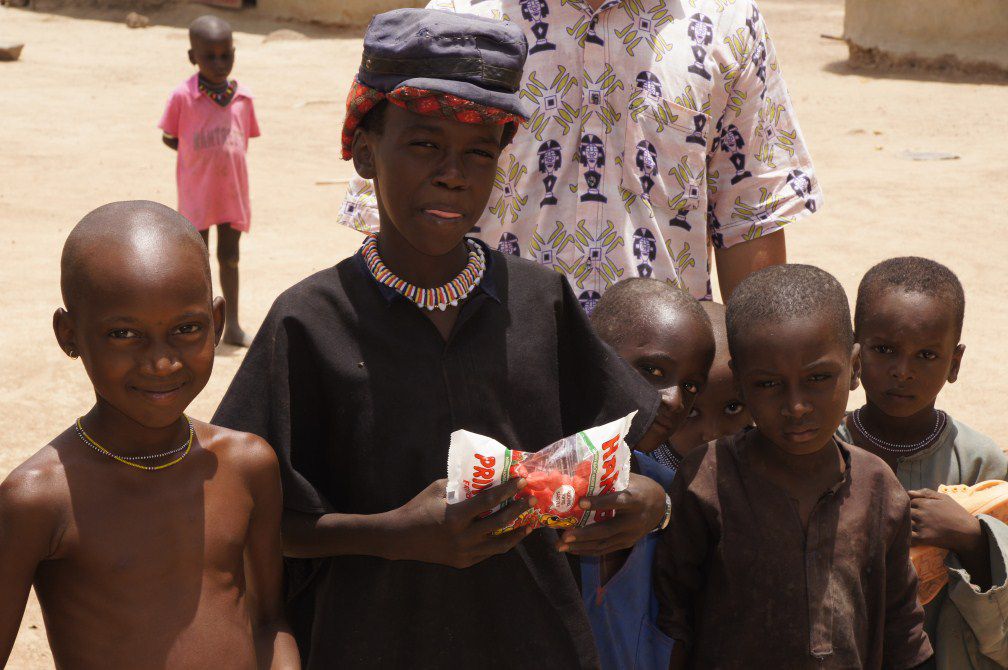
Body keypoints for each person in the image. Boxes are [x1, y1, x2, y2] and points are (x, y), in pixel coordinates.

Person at [212, 10, 677, 668]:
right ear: (365, 150)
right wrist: (391, 535)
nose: (453, 173)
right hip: (368, 646)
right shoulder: (308, 324)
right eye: (425, 144)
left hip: (537, 646)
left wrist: (648, 503)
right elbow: (254, 520)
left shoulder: (539, 302)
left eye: (479, 152)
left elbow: (630, 460)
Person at [336, 0, 822, 307]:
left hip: (666, 388)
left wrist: (756, 380)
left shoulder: (726, 19)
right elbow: (393, 224)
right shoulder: (463, 22)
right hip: (489, 368)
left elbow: (750, 217)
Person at [0, 201, 298, 669]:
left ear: (217, 323)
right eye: (124, 334)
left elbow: (268, 621)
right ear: (69, 334)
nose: (162, 363)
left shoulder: (246, 467)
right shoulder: (39, 500)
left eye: (186, 328)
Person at [655, 264, 933, 669]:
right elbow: (672, 617)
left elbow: (902, 628)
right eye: (768, 384)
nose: (797, 406)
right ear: (740, 381)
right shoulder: (707, 479)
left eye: (818, 377)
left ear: (854, 368)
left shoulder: (877, 487)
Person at [837, 256, 1008, 669]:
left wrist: (972, 538)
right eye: (885, 350)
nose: (903, 371)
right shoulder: (824, 448)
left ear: (955, 362)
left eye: (927, 355)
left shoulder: (980, 461)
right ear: (855, 354)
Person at [583, 277, 716, 669]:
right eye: (653, 371)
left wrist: (665, 512)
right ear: (592, 355)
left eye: (691, 385)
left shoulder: (671, 493)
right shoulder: (526, 468)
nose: (675, 400)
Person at [160, 14, 260, 347]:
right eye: (209, 56)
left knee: (230, 257)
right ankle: (200, 331)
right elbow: (172, 137)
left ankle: (231, 324)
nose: (219, 63)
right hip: (197, 195)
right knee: (197, 263)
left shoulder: (243, 98)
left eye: (226, 55)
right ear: (193, 58)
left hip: (231, 193)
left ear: (234, 52)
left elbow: (243, 140)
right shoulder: (182, 97)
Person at [664, 301, 753, 463]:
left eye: (732, 408)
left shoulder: (773, 466)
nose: (712, 435)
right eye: (690, 412)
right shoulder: (628, 470)